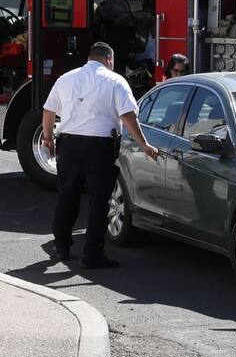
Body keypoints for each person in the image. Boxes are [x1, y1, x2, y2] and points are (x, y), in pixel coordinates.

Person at [41, 42, 161, 267]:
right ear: (109, 59)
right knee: (99, 201)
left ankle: (61, 247)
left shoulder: (66, 78)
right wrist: (143, 144)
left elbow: (48, 110)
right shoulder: (116, 81)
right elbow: (128, 115)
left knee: (67, 197)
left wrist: (48, 138)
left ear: (90, 57)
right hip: (100, 148)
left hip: (69, 145)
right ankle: (92, 254)